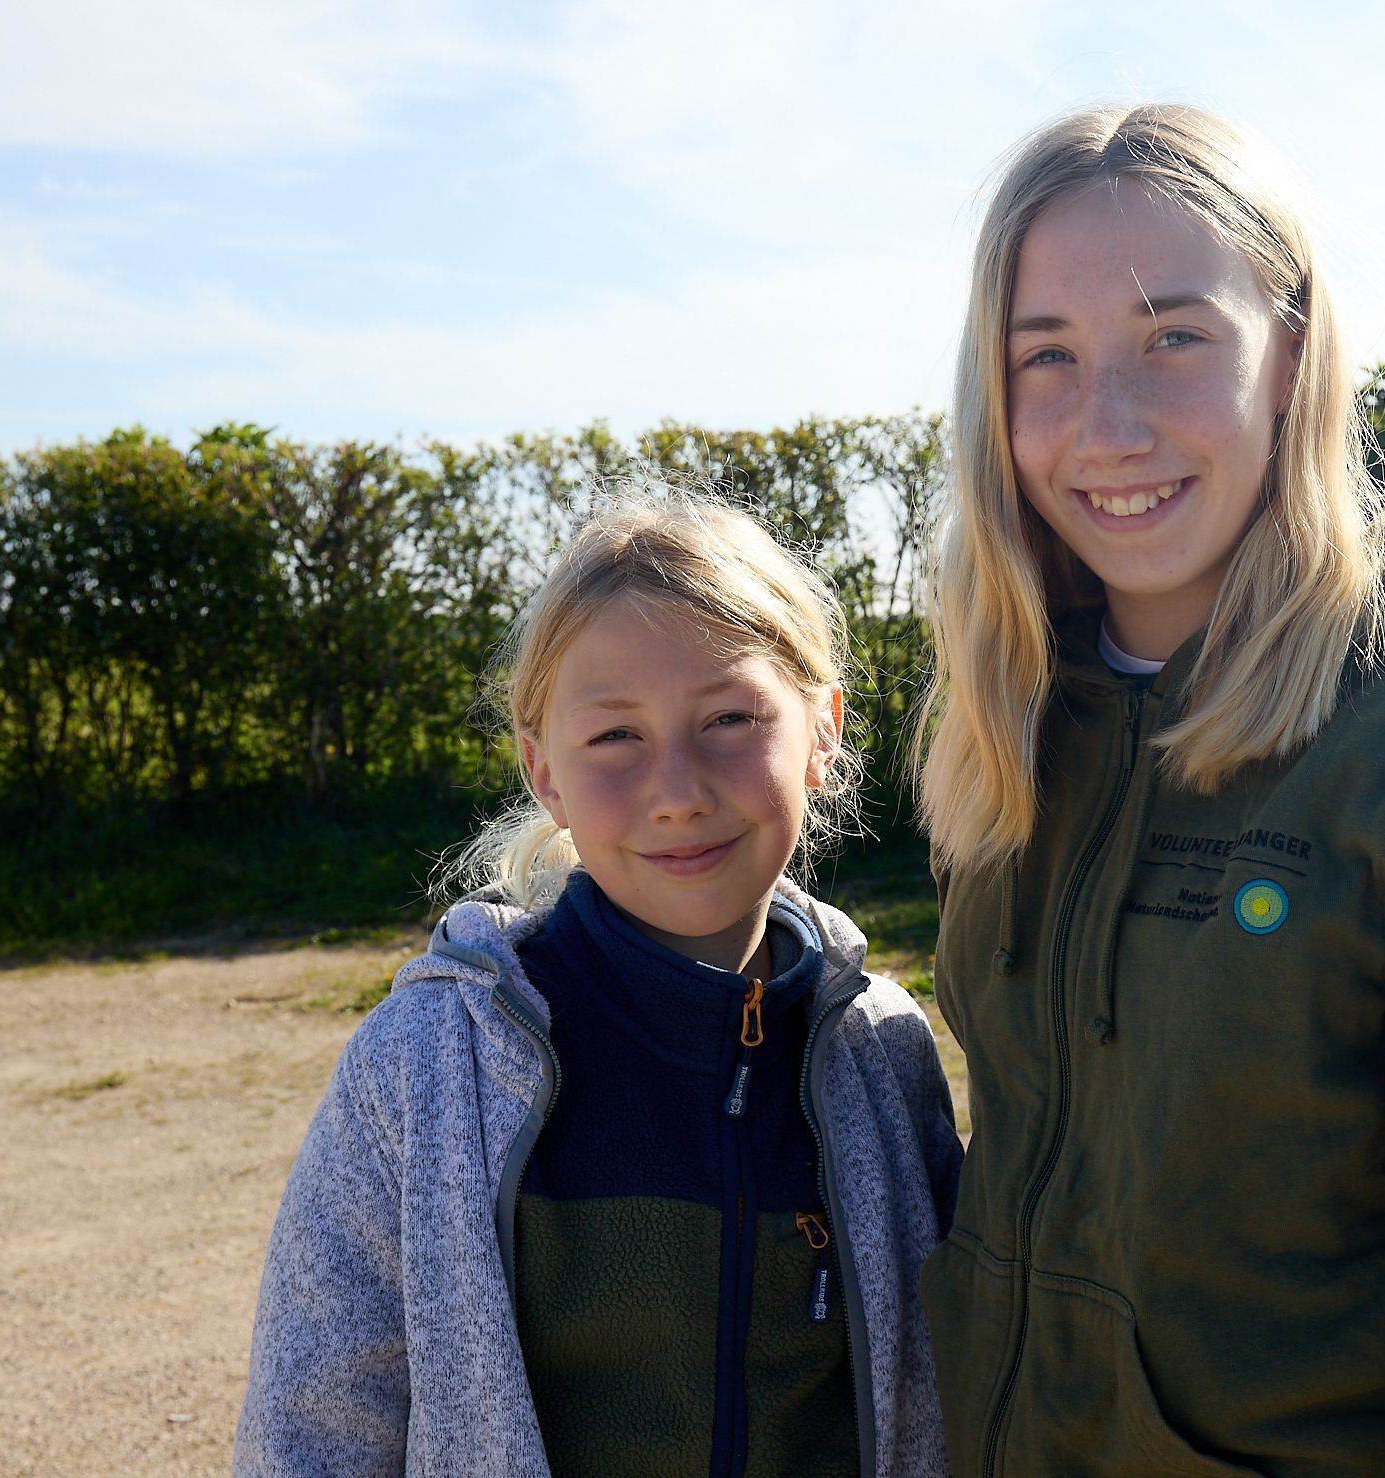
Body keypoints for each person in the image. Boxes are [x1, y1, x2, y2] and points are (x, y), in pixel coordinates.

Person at [916, 104, 1385, 1476]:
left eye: (1172, 338)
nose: (1109, 424)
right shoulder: (1006, 722)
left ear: (1292, 354)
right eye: (1048, 357)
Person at [235, 490, 963, 1478]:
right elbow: (313, 1423)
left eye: (729, 717)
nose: (678, 789)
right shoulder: (426, 1062)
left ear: (823, 731)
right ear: (544, 770)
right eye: (615, 736)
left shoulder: (883, 1049)